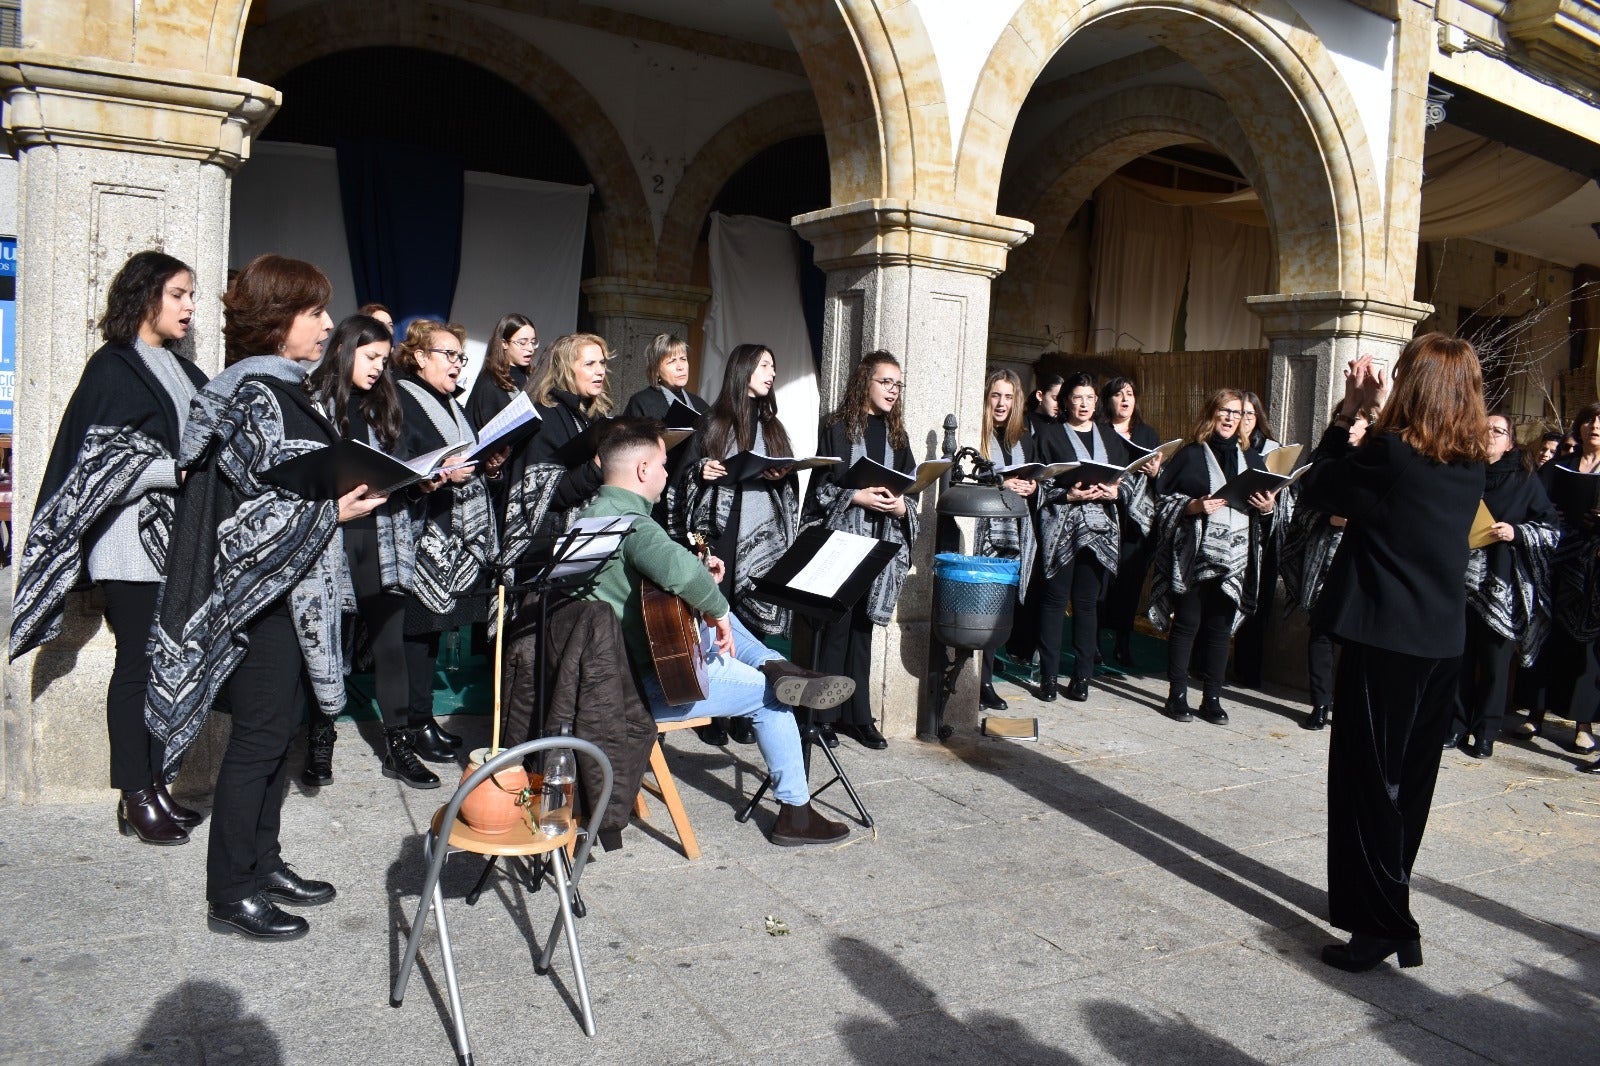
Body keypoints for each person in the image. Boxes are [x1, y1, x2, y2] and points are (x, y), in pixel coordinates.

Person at [146, 254, 388, 940]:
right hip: (262, 600)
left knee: (282, 736)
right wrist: (329, 515)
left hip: (298, 591)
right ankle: (231, 890)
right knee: (256, 742)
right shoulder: (254, 394)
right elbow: (240, 519)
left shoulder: (291, 389)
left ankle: (265, 860)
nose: (323, 325)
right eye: (312, 312)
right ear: (277, 322)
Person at [1298, 338, 1488, 973]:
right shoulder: (1469, 460)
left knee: (1368, 785)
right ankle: (1390, 911)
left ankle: (1384, 924)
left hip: (1387, 641)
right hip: (1439, 642)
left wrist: (1348, 412)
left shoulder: (1394, 453)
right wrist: (1375, 419)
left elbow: (1319, 486)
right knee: (1409, 788)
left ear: (1416, 385)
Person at [11, 251, 210, 845]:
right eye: (179, 294)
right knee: (138, 664)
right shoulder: (113, 366)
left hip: (176, 542)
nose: (189, 306)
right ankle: (135, 793)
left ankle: (157, 784)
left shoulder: (183, 370)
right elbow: (96, 459)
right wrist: (170, 472)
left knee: (166, 664)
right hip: (129, 544)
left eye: (191, 295)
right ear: (145, 296)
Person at [579, 417, 854, 844]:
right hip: (641, 691)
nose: (669, 474)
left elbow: (653, 574)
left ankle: (777, 664)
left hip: (605, 677)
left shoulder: (591, 515)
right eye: (664, 465)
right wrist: (716, 604)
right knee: (768, 696)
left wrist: (702, 584)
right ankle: (796, 814)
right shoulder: (636, 525)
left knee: (722, 625)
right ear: (643, 470)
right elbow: (675, 570)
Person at [303, 315, 437, 789]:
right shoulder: (313, 399)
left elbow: (414, 460)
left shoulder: (388, 403)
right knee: (330, 643)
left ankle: (398, 746)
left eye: (385, 359)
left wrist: (423, 479)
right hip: (335, 536)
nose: (380, 367)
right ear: (344, 349)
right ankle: (320, 740)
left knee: (389, 642)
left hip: (386, 536)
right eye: (371, 357)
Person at [393, 320, 504, 762]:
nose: (458, 365)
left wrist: (488, 465)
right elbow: (396, 461)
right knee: (416, 634)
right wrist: (439, 474)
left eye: (461, 357)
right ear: (420, 357)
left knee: (432, 634)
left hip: (453, 531)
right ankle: (411, 723)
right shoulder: (402, 397)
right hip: (422, 531)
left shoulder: (451, 404)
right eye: (449, 355)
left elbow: (465, 457)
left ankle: (423, 720)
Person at [681, 343, 801, 746]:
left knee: (751, 624)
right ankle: (712, 713)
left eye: (773, 365)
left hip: (760, 536)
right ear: (743, 370)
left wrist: (780, 475)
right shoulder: (712, 422)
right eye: (764, 365)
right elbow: (681, 479)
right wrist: (703, 469)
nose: (770, 373)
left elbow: (790, 480)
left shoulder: (773, 426)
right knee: (713, 621)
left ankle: (747, 711)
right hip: (717, 533)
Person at [802, 352, 918, 749]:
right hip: (841, 540)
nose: (893, 391)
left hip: (879, 543)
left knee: (863, 630)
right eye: (886, 382)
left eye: (898, 385)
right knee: (836, 627)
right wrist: (857, 496)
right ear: (865, 382)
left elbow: (910, 486)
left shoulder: (898, 436)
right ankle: (824, 716)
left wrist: (903, 506)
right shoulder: (835, 428)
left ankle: (858, 716)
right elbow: (820, 489)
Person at [1149, 388, 1277, 724]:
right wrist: (1194, 506)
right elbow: (1161, 504)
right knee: (1188, 624)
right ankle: (1176, 695)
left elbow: (1266, 511)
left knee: (1220, 629)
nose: (1231, 418)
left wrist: (1267, 509)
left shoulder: (1252, 459)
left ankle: (1212, 698)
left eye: (1238, 413)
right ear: (1212, 413)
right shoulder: (1191, 455)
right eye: (1225, 410)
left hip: (1235, 558)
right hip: (1193, 555)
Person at [1448, 410, 1558, 758]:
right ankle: (1455, 724)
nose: (1489, 435)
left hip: (1500, 585)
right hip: (1459, 582)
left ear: (1511, 441)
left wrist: (1516, 532)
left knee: (1494, 664)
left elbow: (1552, 530)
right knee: (1459, 657)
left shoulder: (1524, 479)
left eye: (1498, 431)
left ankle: (1485, 731)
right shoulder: (1463, 471)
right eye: (1484, 429)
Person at [1279, 404, 1375, 730]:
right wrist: (1327, 518)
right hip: (1323, 560)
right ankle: (1320, 703)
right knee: (1320, 632)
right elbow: (1298, 507)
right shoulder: (1325, 461)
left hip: (1363, 564)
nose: (1351, 427)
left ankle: (1348, 705)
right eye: (1347, 420)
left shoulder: (1378, 463)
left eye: (1359, 421)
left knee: (1356, 638)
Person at [1034, 372, 1125, 702]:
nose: (1084, 404)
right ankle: (1047, 676)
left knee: (1087, 604)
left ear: (1096, 402)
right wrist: (1066, 494)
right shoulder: (1050, 435)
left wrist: (1114, 492)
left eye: (1089, 398)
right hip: (1061, 527)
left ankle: (1082, 678)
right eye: (1077, 398)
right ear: (1065, 402)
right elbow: (1039, 481)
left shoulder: (1110, 438)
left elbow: (1124, 481)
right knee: (1055, 602)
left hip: (1098, 529)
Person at [1520, 402, 1600, 754]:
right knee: (1546, 632)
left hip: (1594, 568)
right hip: (1555, 559)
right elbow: (1535, 500)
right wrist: (1552, 512)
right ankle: (1535, 712)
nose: (1594, 427)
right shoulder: (1559, 466)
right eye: (1588, 421)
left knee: (1586, 645)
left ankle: (1583, 723)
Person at [975, 368, 1038, 710]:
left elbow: (1035, 478)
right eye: (996, 395)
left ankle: (985, 681)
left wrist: (1033, 486)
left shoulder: (1023, 439)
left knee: (999, 612)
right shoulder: (978, 434)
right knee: (978, 608)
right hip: (983, 535)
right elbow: (966, 477)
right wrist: (1000, 485)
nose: (1001, 403)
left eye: (1009, 396)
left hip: (1015, 534)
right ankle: (976, 681)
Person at [1099, 375, 1163, 668]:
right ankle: (1094, 642)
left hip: (1136, 522)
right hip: (1103, 516)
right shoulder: (1099, 431)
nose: (1125, 399)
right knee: (1100, 583)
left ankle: (1124, 643)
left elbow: (1162, 479)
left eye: (1130, 394)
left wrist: (1155, 473)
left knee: (1129, 584)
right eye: (1118, 393)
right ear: (1108, 400)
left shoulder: (1147, 434)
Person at [622, 333, 711, 530]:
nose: (680, 366)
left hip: (690, 497)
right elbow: (631, 451)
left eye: (683, 359)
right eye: (671, 361)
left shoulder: (700, 404)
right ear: (656, 370)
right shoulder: (642, 402)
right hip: (656, 498)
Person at [1230, 391, 1286, 688]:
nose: (1244, 421)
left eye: (1250, 415)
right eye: (1240, 414)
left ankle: (1248, 671)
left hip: (1263, 540)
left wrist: (1269, 507)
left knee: (1257, 604)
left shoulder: (1273, 451)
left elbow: (1285, 497)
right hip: (1231, 535)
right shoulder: (1228, 449)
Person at [466, 312, 536, 429]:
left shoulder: (533, 376)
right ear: (504, 343)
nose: (530, 349)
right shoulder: (489, 384)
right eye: (522, 343)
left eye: (533, 342)